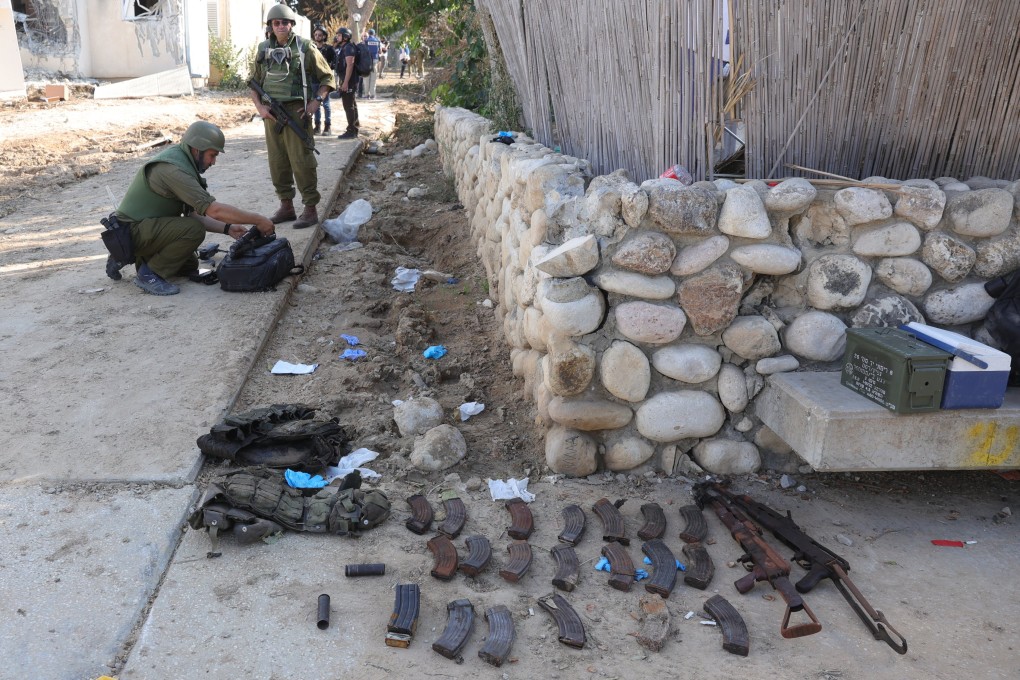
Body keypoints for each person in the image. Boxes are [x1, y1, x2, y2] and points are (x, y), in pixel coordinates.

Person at [109, 121, 275, 296]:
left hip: (142, 230)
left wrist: (228, 229)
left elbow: (194, 215)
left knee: (188, 265)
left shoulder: (182, 161)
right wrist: (258, 220)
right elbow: (214, 210)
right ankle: (149, 273)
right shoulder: (174, 170)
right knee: (193, 231)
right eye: (212, 155)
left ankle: (127, 255)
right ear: (197, 149)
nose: (214, 162)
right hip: (131, 232)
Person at [250, 4, 335, 229]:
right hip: (271, 114)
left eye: (284, 22)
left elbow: (327, 78)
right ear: (270, 26)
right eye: (276, 23)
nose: (280, 26)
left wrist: (316, 102)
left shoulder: (306, 47)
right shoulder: (262, 49)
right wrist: (260, 108)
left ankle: (310, 209)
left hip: (297, 113)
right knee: (277, 162)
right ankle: (286, 206)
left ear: (291, 25)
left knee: (302, 161)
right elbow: (254, 83)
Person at [334, 27, 360, 140]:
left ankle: (351, 130)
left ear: (345, 37)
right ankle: (354, 127)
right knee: (352, 104)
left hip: (349, 81)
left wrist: (345, 83)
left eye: (339, 35)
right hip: (348, 80)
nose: (337, 37)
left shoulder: (348, 48)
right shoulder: (344, 47)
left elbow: (350, 65)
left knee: (348, 106)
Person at [311, 26, 336, 136]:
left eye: (320, 35)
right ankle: (317, 126)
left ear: (324, 36)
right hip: (313, 79)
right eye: (316, 35)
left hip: (325, 80)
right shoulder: (312, 48)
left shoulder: (329, 49)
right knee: (315, 103)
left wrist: (326, 66)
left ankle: (328, 126)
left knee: (325, 104)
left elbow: (335, 63)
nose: (317, 37)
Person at [364, 28, 381, 99]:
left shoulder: (366, 40)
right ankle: (372, 94)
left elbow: (364, 50)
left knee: (366, 78)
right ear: (374, 34)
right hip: (374, 60)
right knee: (373, 78)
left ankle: (366, 94)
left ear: (369, 33)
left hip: (367, 61)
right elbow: (379, 51)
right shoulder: (377, 41)